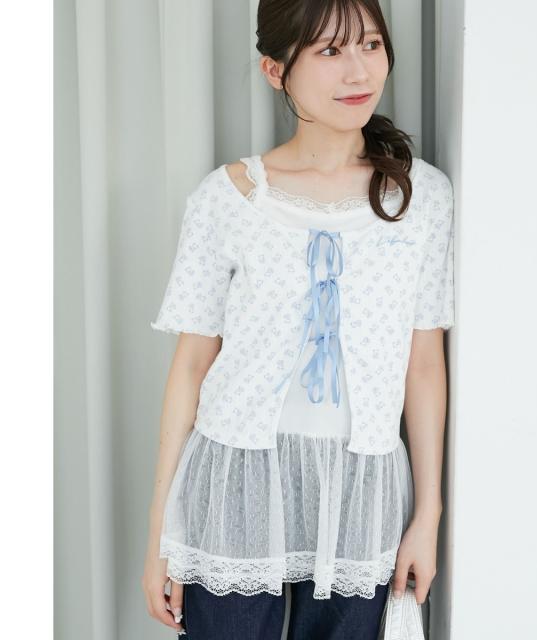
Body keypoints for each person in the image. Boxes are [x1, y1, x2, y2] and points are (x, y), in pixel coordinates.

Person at [141, 0, 455, 638]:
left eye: (370, 44)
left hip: (361, 493)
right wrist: (161, 536)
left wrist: (428, 514)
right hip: (235, 484)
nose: (358, 71)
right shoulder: (227, 198)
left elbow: (423, 364)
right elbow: (191, 367)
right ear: (275, 70)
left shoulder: (420, 197)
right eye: (330, 50)